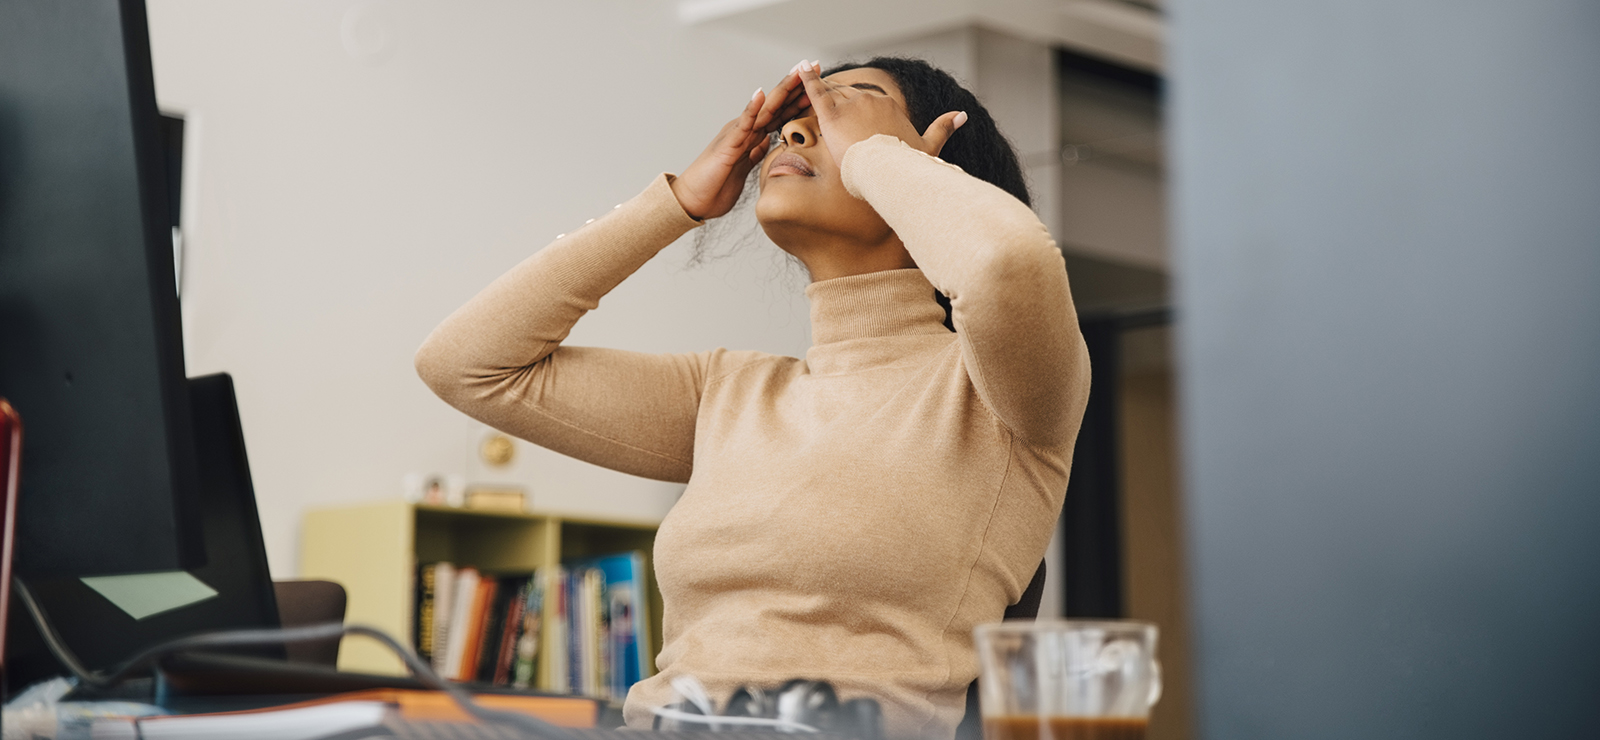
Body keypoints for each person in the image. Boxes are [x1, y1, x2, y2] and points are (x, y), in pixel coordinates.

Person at [415, 57, 1091, 740]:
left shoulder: (1001, 393)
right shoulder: (728, 391)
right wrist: (674, 203)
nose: (795, 131)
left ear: (930, 160)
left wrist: (879, 161)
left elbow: (1008, 263)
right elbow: (467, 365)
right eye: (792, 120)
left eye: (844, 109)